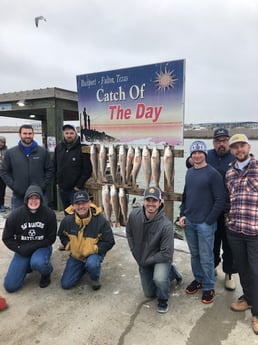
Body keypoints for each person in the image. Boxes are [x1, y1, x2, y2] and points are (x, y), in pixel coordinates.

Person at [178, 140, 225, 304]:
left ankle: (208, 286)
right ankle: (198, 279)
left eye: (200, 152)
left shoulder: (213, 174)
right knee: (195, 254)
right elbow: (186, 196)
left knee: (206, 257)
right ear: (191, 156)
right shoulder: (190, 172)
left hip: (205, 224)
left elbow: (220, 200)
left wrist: (209, 220)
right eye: (194, 153)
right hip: (189, 221)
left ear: (205, 154)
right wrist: (182, 214)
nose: (197, 155)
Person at [126, 186, 182, 314]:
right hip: (143, 257)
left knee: (160, 280)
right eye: (148, 200)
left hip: (161, 258)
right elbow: (128, 231)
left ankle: (163, 299)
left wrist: (148, 260)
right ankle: (171, 273)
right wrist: (133, 249)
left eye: (154, 201)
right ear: (144, 201)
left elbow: (167, 253)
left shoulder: (166, 225)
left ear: (160, 202)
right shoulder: (134, 215)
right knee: (149, 293)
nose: (151, 204)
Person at [225, 134, 258, 335]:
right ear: (231, 150)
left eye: (242, 146)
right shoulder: (229, 172)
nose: (239, 150)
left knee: (256, 272)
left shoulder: (256, 167)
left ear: (248, 146)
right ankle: (248, 298)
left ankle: (257, 313)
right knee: (243, 270)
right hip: (235, 230)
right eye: (235, 147)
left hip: (254, 230)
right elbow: (230, 198)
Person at [2, 184, 57, 292]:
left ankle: (46, 272)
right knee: (10, 286)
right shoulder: (15, 215)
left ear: (41, 200)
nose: (34, 201)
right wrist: (18, 248)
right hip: (22, 248)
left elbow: (51, 238)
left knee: (38, 262)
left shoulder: (49, 214)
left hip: (41, 247)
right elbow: (7, 238)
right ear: (26, 199)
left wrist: (33, 247)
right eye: (31, 198)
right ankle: (27, 265)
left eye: (37, 198)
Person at [58, 190, 115, 290]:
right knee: (66, 284)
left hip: (93, 253)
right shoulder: (67, 221)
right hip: (77, 256)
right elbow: (62, 235)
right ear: (73, 206)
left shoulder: (101, 220)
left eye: (84, 203)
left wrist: (94, 248)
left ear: (89, 203)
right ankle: (82, 268)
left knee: (92, 264)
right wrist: (69, 245)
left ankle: (94, 278)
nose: (81, 207)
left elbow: (109, 241)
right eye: (77, 204)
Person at [207, 128, 236, 290]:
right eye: (218, 141)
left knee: (229, 244)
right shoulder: (208, 155)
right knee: (212, 241)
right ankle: (212, 266)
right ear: (214, 143)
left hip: (230, 210)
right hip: (211, 209)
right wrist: (190, 160)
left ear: (229, 142)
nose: (222, 144)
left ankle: (229, 273)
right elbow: (190, 163)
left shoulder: (235, 157)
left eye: (225, 140)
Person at [0, 124, 53, 210]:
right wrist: (15, 186)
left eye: (30, 133)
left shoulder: (42, 152)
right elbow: (4, 171)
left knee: (43, 220)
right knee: (17, 221)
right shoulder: (11, 153)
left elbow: (50, 170)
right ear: (19, 135)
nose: (27, 136)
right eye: (25, 133)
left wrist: (42, 185)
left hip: (39, 195)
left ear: (33, 134)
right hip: (19, 196)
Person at [54, 124, 92, 213]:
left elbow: (87, 169)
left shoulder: (83, 147)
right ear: (64, 134)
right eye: (67, 133)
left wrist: (78, 186)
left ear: (75, 133)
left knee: (79, 214)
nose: (69, 135)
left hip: (76, 190)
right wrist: (57, 182)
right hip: (62, 189)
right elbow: (55, 165)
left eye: (71, 133)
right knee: (67, 213)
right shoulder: (59, 147)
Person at [0, 136, 8, 212]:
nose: (0, 143)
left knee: (2, 189)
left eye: (2, 142)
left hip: (3, 173)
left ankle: (2, 204)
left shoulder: (7, 151)